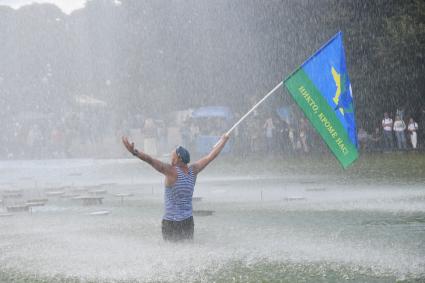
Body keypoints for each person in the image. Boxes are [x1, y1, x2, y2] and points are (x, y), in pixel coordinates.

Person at [122, 133, 230, 242]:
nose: (170, 156)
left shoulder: (172, 171)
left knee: (171, 251)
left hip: (171, 223)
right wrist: (223, 140)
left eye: (172, 154)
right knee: (187, 250)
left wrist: (134, 152)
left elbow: (150, 160)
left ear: (178, 158)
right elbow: (210, 156)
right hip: (187, 221)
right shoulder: (194, 170)